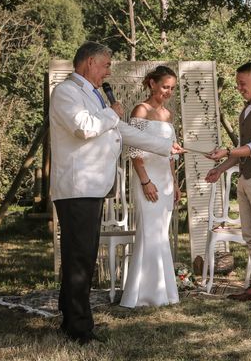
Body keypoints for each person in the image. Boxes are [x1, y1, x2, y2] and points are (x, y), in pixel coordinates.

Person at [50, 42, 184, 344]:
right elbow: (84, 127)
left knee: (80, 255)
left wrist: (165, 146)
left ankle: (70, 316)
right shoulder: (66, 92)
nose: (109, 71)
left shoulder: (95, 95)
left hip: (92, 187)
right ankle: (79, 329)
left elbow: (122, 131)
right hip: (76, 186)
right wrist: (112, 114)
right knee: (80, 257)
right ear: (88, 64)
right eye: (106, 65)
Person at [204, 62, 251, 307]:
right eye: (237, 83)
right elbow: (240, 151)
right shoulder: (246, 110)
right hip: (246, 179)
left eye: (243, 84)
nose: (239, 88)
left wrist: (226, 150)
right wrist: (220, 169)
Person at [120, 66, 181, 308]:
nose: (168, 92)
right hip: (147, 177)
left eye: (172, 88)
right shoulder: (141, 110)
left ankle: (163, 292)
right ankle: (141, 294)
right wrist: (145, 181)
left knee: (160, 234)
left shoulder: (168, 115)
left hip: (165, 179)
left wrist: (175, 184)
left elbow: (171, 155)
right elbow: (134, 150)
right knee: (149, 233)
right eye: (165, 86)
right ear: (152, 83)